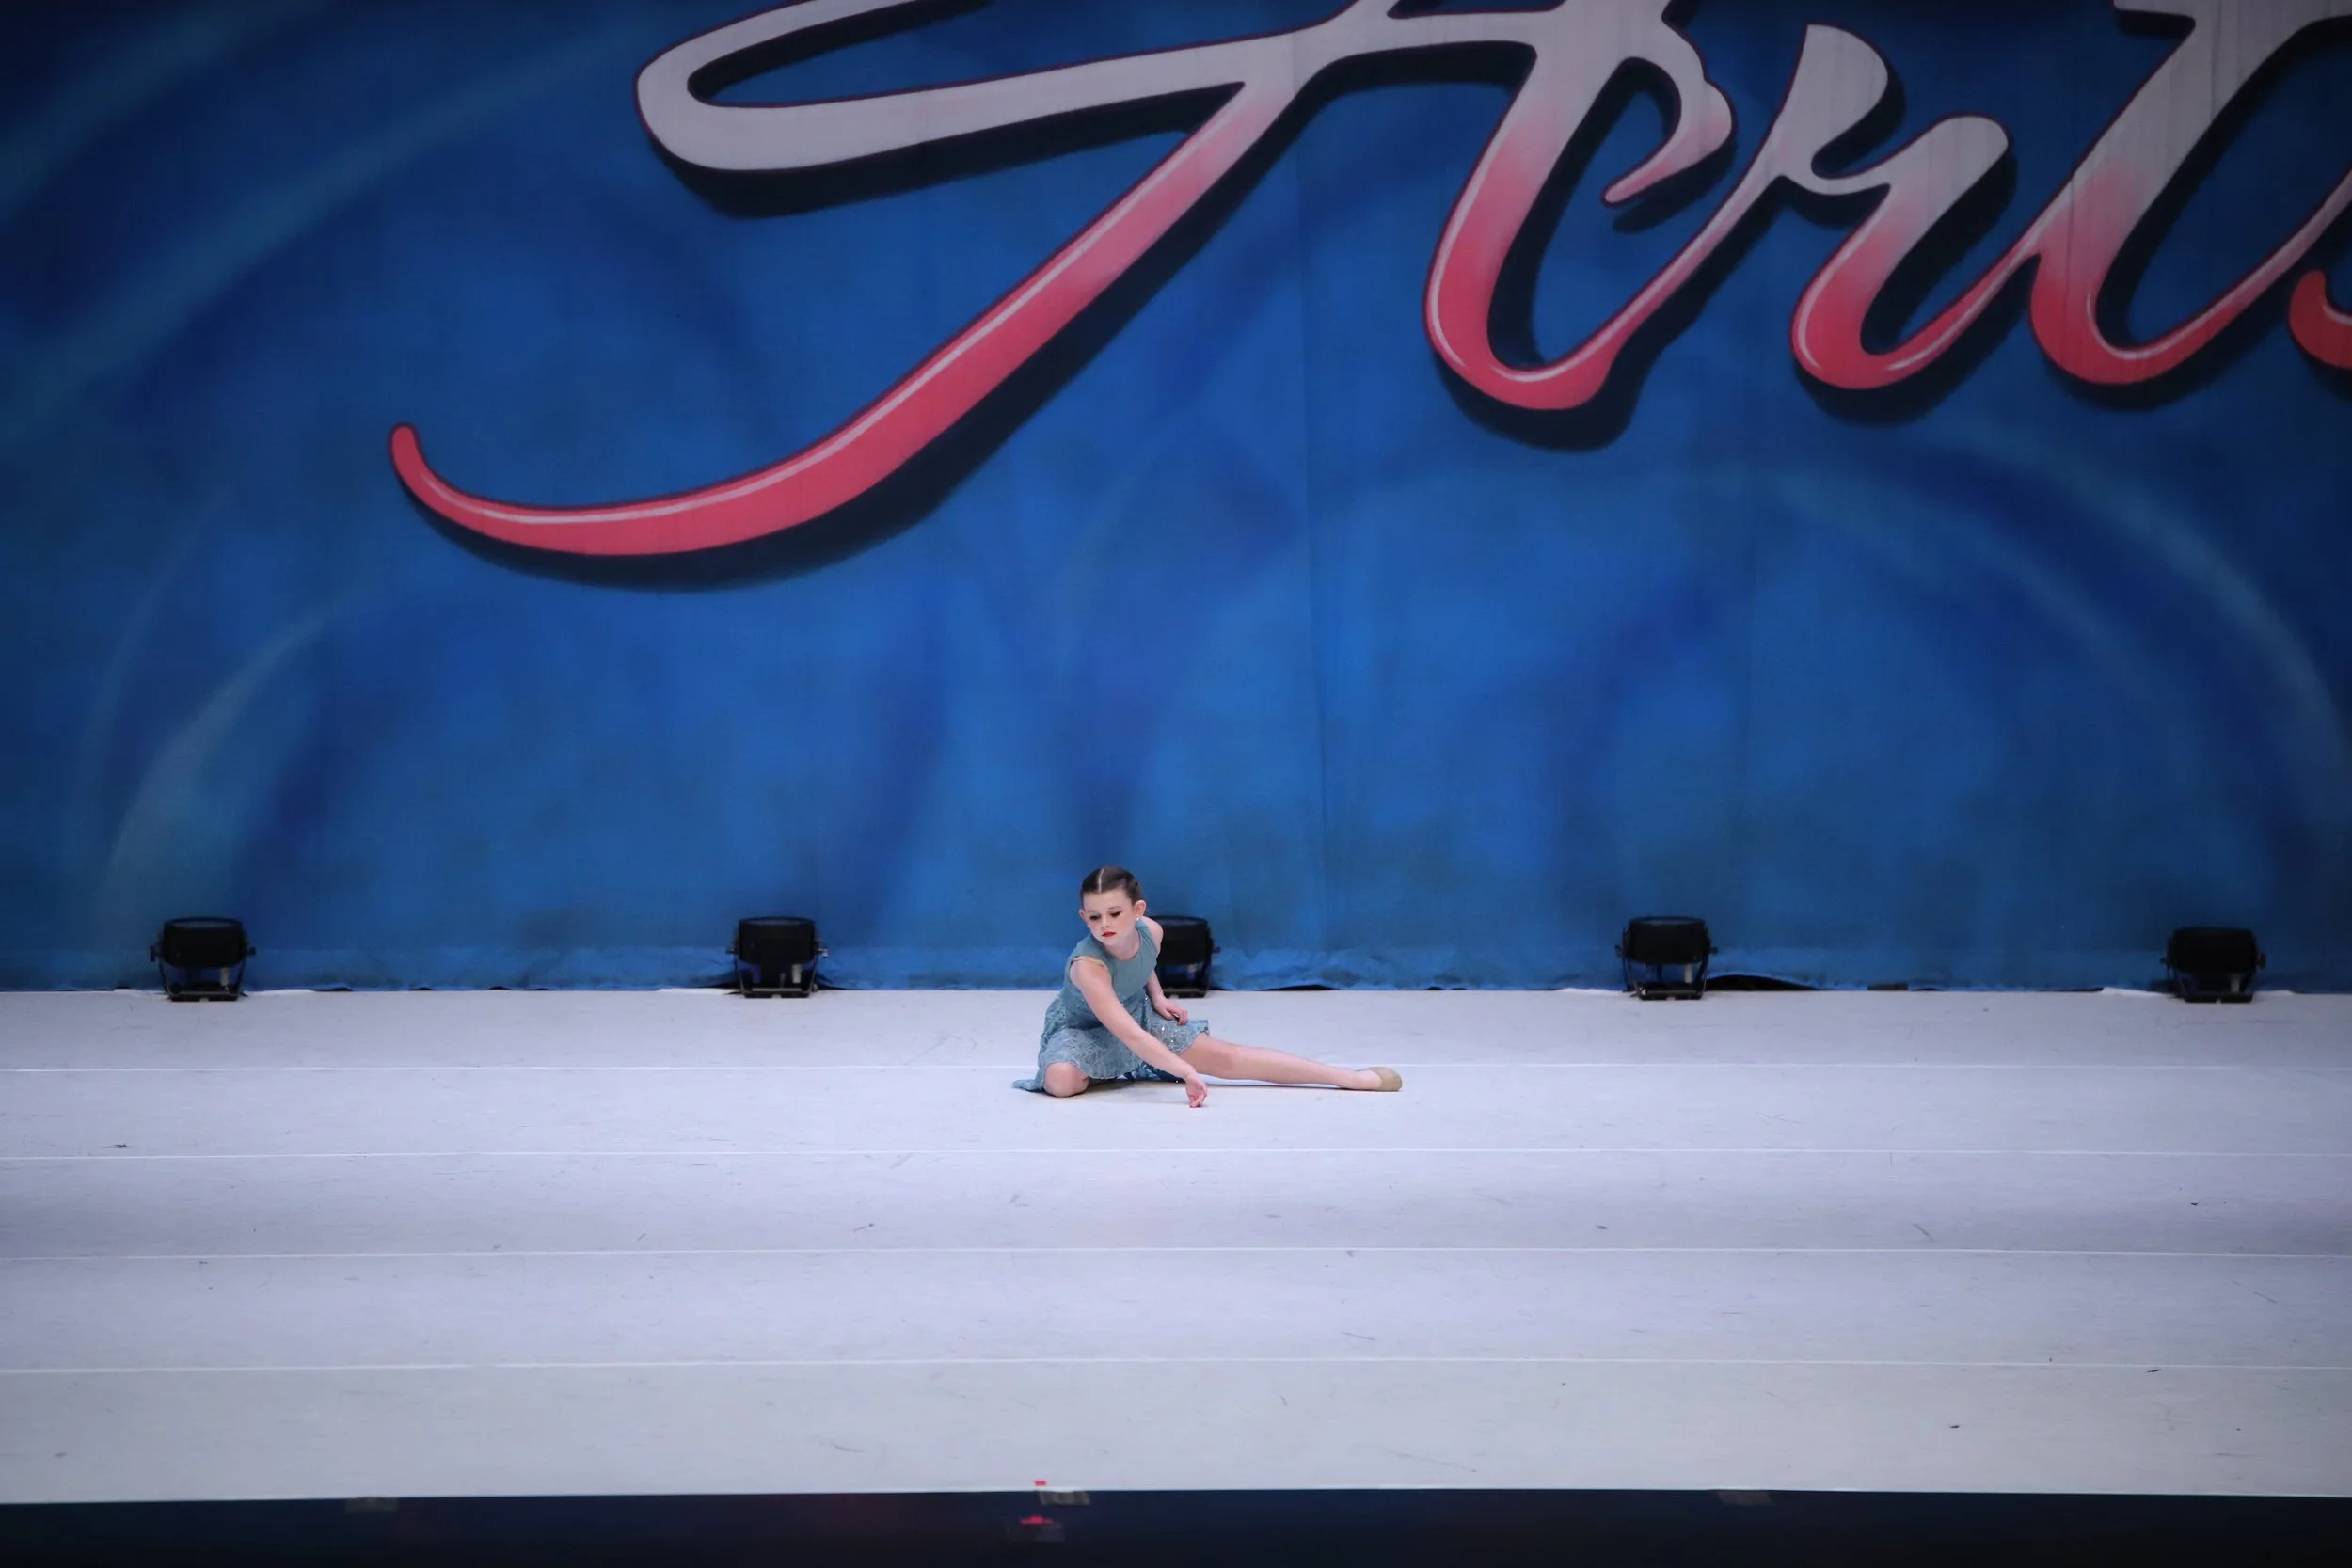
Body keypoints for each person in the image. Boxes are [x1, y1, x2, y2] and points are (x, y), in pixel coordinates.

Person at [1012, 866, 1404, 1106]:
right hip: (1088, 1031)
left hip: (1136, 1017)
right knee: (1061, 1081)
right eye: (1094, 917)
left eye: (1114, 913)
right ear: (1083, 917)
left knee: (1229, 1058)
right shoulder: (1088, 966)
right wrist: (1184, 1070)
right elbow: (1128, 1034)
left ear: (1138, 911)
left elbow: (1141, 963)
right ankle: (1125, 1068)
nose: (1105, 925)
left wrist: (1158, 995)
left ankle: (1349, 1077)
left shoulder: (1152, 932)